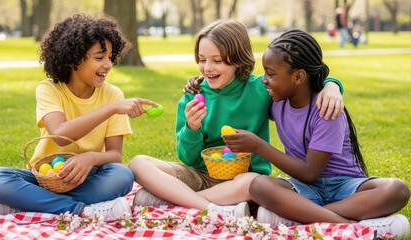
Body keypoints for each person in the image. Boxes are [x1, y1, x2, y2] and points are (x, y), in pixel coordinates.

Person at [128, 19, 344, 218]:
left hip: (240, 182)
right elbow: (188, 159)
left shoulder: (261, 89)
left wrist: (332, 85)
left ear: (239, 61)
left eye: (218, 61)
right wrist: (191, 129)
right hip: (200, 175)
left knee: (253, 182)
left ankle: (174, 199)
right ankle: (210, 209)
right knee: (138, 163)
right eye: (202, 60)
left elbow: (300, 81)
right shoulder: (193, 96)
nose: (207, 68)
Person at [222, 29, 410, 237]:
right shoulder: (277, 98)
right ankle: (349, 225)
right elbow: (237, 87)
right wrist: (200, 83)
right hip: (304, 189)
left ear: (299, 76)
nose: (263, 80)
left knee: (397, 189)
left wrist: (259, 146)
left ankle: (304, 218)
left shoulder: (327, 109)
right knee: (258, 185)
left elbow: (311, 172)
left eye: (270, 73)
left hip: (345, 186)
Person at [0, 14, 159, 221]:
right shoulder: (49, 90)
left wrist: (91, 158)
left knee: (122, 176)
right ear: (74, 59)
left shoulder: (112, 95)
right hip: (45, 177)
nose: (108, 64)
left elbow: (114, 155)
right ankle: (80, 210)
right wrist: (111, 109)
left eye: (110, 57)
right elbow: (59, 134)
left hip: (88, 177)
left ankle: (27, 204)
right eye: (99, 57)